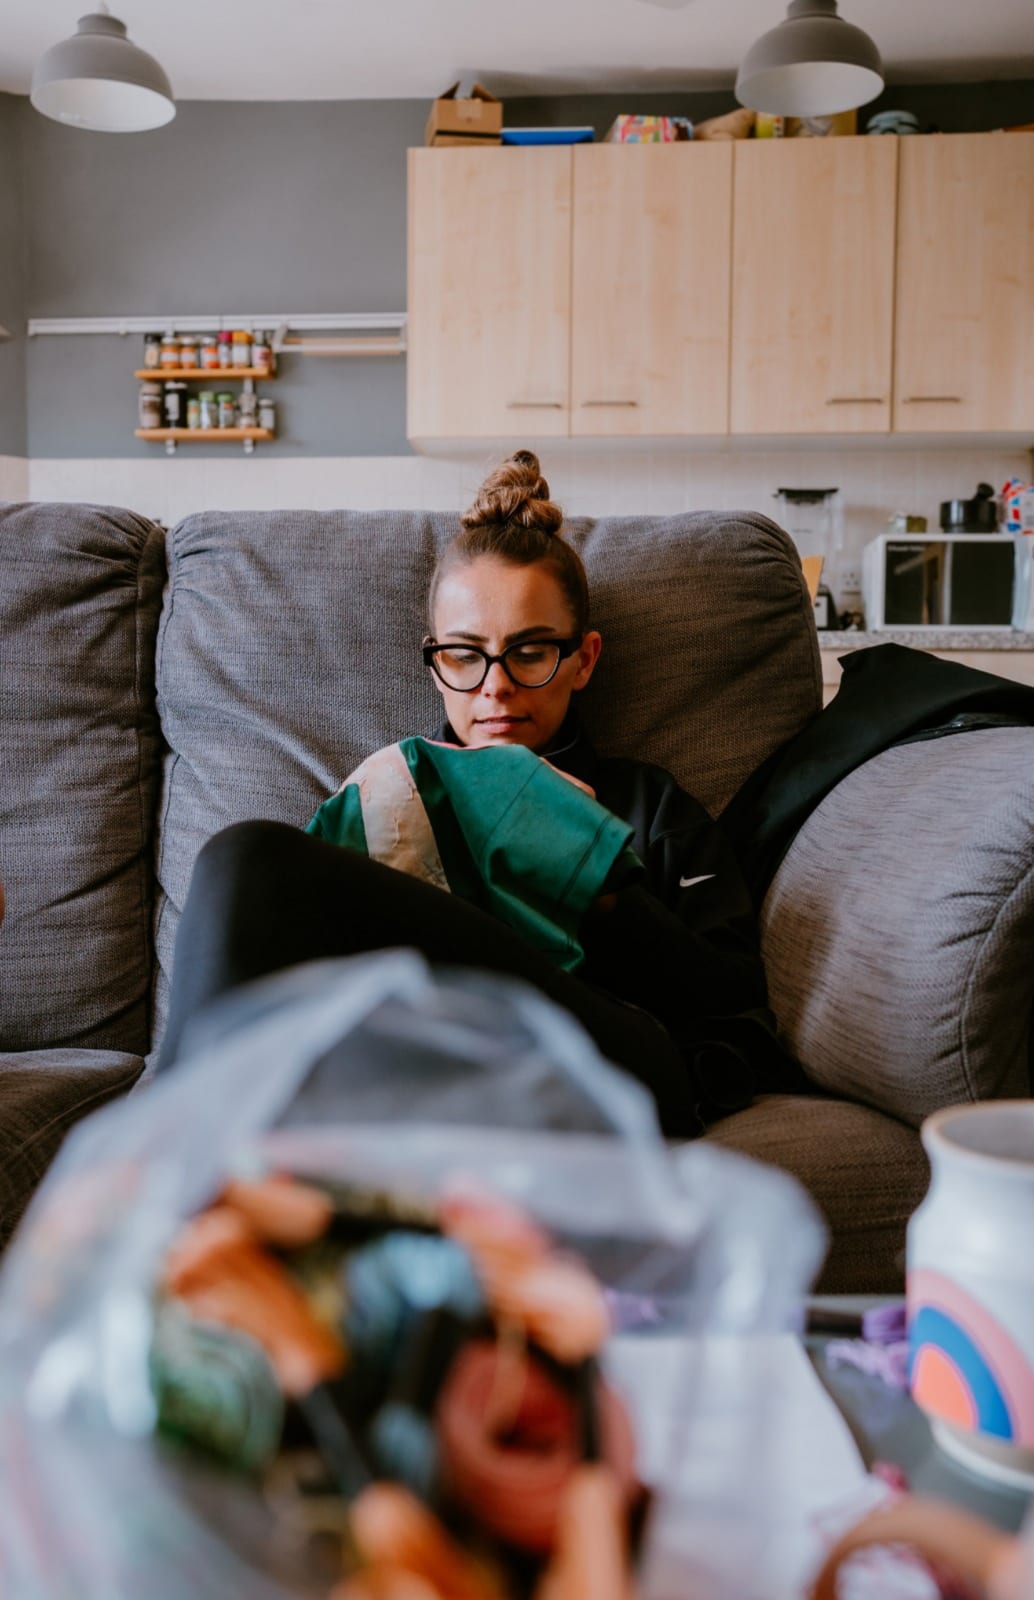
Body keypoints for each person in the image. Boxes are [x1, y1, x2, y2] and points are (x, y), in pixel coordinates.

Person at [158, 451, 801, 1134]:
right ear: (435, 664)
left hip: (597, 1059)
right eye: (465, 653)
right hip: (413, 1062)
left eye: (529, 651)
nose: (495, 686)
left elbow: (735, 1001)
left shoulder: (649, 803)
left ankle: (153, 1165)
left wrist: (597, 886)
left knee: (250, 856)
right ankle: (177, 1157)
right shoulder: (392, 802)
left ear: (583, 660)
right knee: (243, 859)